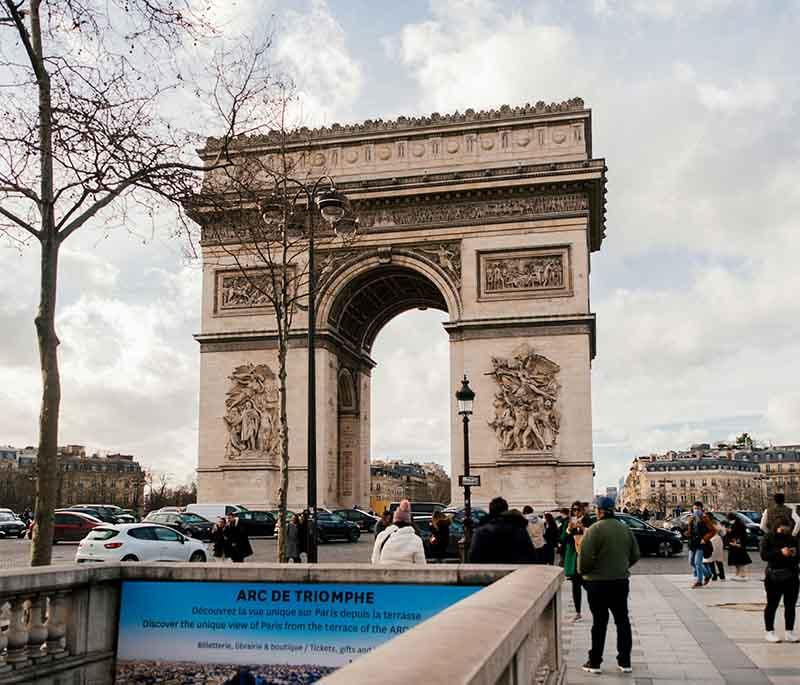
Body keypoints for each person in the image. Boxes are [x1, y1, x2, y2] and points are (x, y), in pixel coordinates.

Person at [579, 496, 640, 675]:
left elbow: (584, 559)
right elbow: (635, 554)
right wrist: (621, 566)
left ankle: (595, 662)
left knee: (599, 622)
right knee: (622, 621)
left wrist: (585, 573)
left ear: (599, 511)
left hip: (597, 583)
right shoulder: (625, 528)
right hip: (620, 581)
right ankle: (625, 661)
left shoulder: (593, 530)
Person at [760, 518, 799, 643]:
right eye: (782, 529)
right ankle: (769, 631)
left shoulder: (793, 539)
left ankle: (789, 631)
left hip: (792, 575)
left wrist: (794, 553)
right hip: (774, 576)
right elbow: (764, 555)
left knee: (791, 605)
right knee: (772, 604)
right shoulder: (768, 538)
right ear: (776, 527)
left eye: (787, 530)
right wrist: (780, 552)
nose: (784, 532)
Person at [468, 497, 535, 564]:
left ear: (490, 511)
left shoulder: (481, 531)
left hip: (488, 571)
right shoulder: (519, 529)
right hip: (515, 571)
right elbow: (531, 556)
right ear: (506, 510)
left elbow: (473, 556)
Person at [372, 499, 426, 564]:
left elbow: (375, 560)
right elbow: (420, 565)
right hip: (407, 573)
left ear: (394, 521)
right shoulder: (416, 540)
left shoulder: (382, 536)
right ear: (409, 522)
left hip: (386, 572)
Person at [563, 501, 591, 621]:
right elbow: (563, 539)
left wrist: (582, 528)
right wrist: (569, 530)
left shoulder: (589, 520)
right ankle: (578, 612)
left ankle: (599, 605)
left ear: (582, 510)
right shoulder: (569, 522)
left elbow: (593, 535)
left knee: (588, 584)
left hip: (584, 556)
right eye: (573, 509)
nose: (576, 512)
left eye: (578, 509)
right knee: (575, 584)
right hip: (574, 557)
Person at [687, 501, 716, 588]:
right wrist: (687, 533)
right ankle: (708, 574)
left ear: (701, 509)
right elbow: (690, 530)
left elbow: (713, 531)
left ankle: (699, 580)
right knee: (691, 561)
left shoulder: (705, 518)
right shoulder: (691, 518)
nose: (696, 510)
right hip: (692, 542)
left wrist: (705, 539)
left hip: (701, 543)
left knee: (697, 562)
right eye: (695, 508)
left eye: (698, 509)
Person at [727, 512, 752, 580]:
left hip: (738, 544)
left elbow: (740, 534)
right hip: (734, 544)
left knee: (740, 559)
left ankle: (742, 574)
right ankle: (738, 573)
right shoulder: (735, 523)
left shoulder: (738, 524)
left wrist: (738, 542)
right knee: (736, 560)